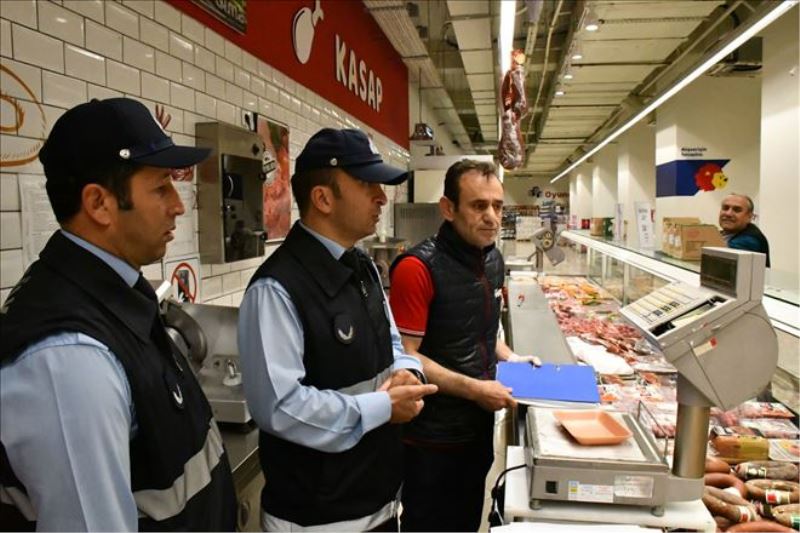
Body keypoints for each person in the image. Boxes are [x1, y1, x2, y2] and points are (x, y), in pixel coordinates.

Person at [0, 98, 237, 530]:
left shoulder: (118, 298)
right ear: (99, 204)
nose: (178, 206)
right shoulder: (69, 357)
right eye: (161, 188)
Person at [238, 128, 438, 532]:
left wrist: (408, 373)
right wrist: (383, 407)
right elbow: (279, 407)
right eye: (367, 184)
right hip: (318, 519)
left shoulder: (362, 267)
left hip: (379, 502)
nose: (382, 198)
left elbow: (393, 342)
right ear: (323, 199)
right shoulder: (276, 289)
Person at [389, 159, 539, 532]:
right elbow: (406, 355)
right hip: (431, 436)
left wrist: (513, 358)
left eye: (497, 206)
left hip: (477, 426)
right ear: (448, 208)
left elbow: (481, 332)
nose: (492, 217)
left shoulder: (492, 259)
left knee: (467, 519)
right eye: (478, 205)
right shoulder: (416, 268)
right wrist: (475, 390)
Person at [719, 193, 770, 267]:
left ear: (749, 217)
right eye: (725, 208)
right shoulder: (723, 233)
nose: (728, 213)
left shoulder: (749, 240)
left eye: (737, 210)